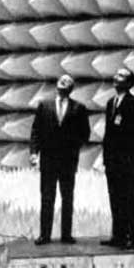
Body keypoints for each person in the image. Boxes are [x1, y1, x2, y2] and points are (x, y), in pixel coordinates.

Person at [29, 74, 90, 244]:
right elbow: (36, 131)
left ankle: (66, 235)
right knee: (47, 198)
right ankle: (45, 235)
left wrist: (71, 146)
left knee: (67, 198)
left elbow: (85, 134)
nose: (63, 84)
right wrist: (34, 152)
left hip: (68, 162)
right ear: (56, 85)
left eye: (67, 83)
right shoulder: (44, 105)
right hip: (48, 160)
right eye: (61, 81)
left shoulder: (79, 108)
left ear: (71, 89)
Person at [101, 67, 134, 250]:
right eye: (116, 74)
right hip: (112, 161)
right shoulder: (110, 103)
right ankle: (119, 236)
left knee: (131, 199)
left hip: (128, 161)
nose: (116, 77)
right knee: (115, 198)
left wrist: (129, 154)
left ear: (129, 83)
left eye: (121, 75)